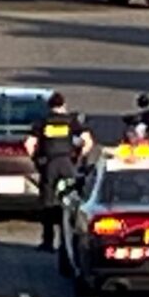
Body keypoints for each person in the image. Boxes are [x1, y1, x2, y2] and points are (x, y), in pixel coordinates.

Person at [24, 92, 93, 250]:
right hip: (67, 163)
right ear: (63, 105)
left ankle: (48, 241)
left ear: (49, 106)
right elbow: (88, 141)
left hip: (49, 164)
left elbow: (29, 144)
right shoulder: (71, 121)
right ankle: (68, 238)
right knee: (71, 200)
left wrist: (36, 160)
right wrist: (78, 158)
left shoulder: (42, 122)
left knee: (47, 202)